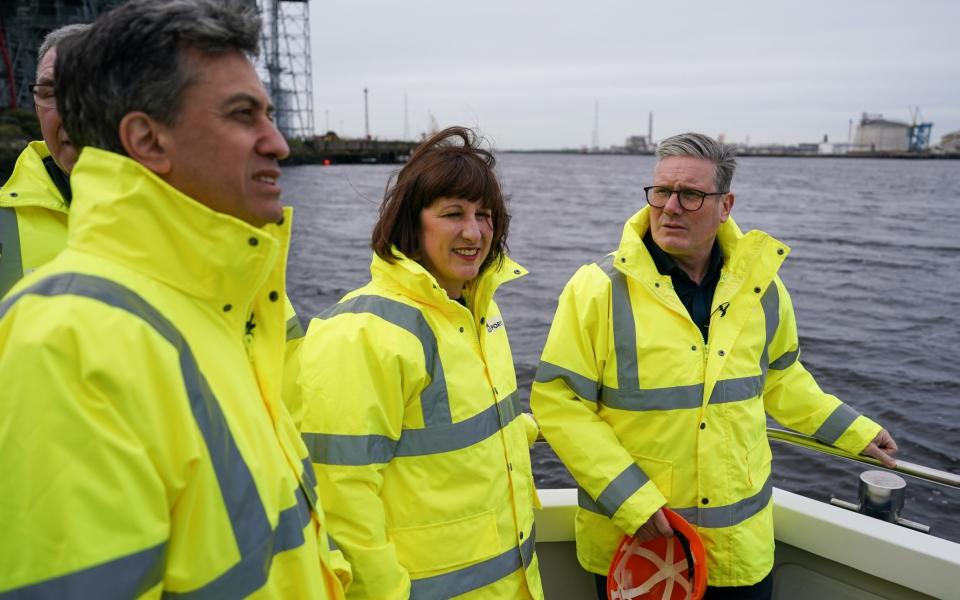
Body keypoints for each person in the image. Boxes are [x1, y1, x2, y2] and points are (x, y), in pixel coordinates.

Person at [0, 0, 348, 597]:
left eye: (268, 113)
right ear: (146, 138)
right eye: (244, 115)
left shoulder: (216, 305)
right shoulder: (69, 344)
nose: (280, 143)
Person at [530, 132, 898, 599]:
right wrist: (629, 499)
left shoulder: (761, 289)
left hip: (739, 549)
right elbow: (559, 401)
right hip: (643, 548)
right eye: (661, 191)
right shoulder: (597, 289)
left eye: (690, 194)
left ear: (725, 204)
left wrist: (853, 431)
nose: (670, 207)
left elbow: (781, 378)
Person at [298, 126, 544, 599]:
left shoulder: (479, 313)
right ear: (412, 221)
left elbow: (449, 437)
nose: (474, 232)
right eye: (453, 214)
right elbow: (340, 498)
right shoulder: (362, 332)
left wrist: (524, 430)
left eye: (485, 215)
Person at [0, 23, 88, 297]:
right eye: (50, 94)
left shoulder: (192, 220)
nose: (69, 113)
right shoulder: (5, 225)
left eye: (87, 90)